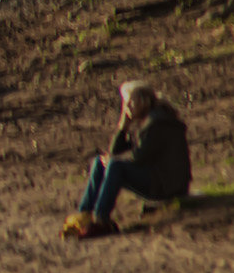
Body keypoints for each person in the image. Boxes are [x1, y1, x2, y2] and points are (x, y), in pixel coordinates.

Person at [65, 80, 191, 238]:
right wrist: (123, 126)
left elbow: (140, 157)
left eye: (130, 102)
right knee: (100, 162)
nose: (127, 107)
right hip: (158, 179)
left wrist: (113, 159)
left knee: (115, 165)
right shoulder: (148, 120)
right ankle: (84, 215)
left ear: (143, 101)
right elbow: (117, 151)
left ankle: (101, 221)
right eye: (125, 103)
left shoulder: (157, 123)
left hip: (168, 185)